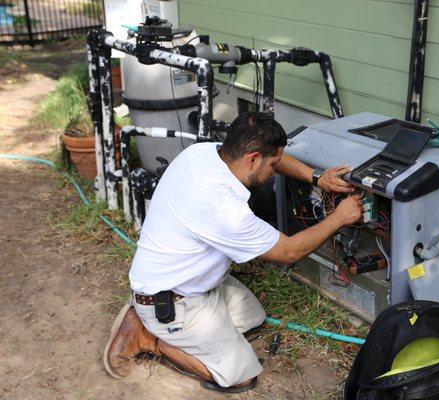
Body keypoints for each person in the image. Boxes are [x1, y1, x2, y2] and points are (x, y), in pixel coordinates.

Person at [103, 112, 363, 393]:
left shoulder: (204, 153)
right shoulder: (225, 209)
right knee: (240, 376)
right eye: (272, 166)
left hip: (188, 283)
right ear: (252, 159)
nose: (274, 171)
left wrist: (317, 178)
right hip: (169, 300)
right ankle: (147, 336)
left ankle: (187, 332)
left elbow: (272, 154)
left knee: (253, 318)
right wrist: (338, 219)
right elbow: (289, 252)